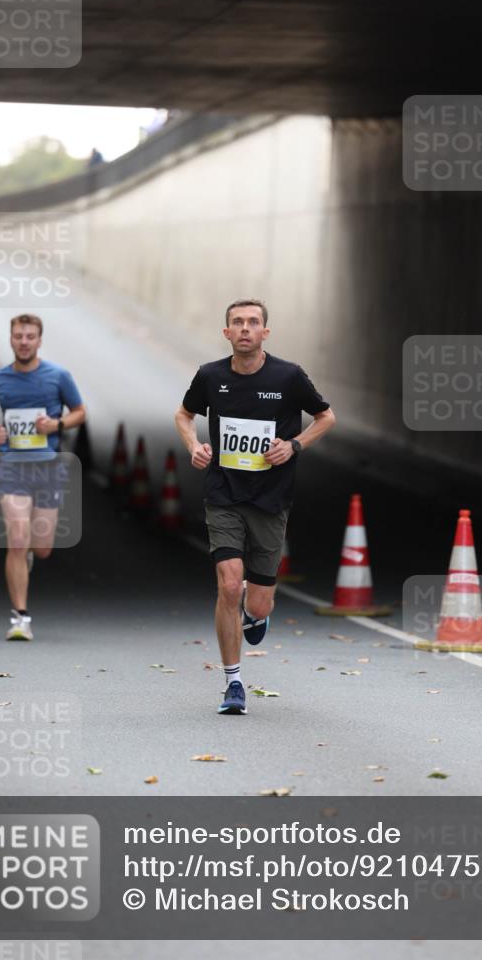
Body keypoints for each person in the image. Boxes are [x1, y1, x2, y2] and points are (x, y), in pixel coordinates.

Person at [175, 299, 336, 714]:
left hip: (271, 498)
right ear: (226, 333)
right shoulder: (210, 376)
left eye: (253, 322)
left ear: (266, 332)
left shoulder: (288, 375)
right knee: (229, 584)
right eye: (237, 323)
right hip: (224, 494)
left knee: (257, 601)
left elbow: (326, 418)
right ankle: (233, 683)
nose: (245, 328)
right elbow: (184, 414)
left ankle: (257, 610)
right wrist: (195, 445)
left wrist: (294, 445)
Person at [0, 314, 86, 641]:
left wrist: (57, 425)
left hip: (47, 468)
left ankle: (32, 555)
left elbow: (80, 412)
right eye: (18, 336)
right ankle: (20, 617)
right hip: (12, 467)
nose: (24, 341)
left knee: (43, 546)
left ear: (38, 340)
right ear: (10, 339)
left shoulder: (58, 376)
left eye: (30, 336)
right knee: (17, 539)